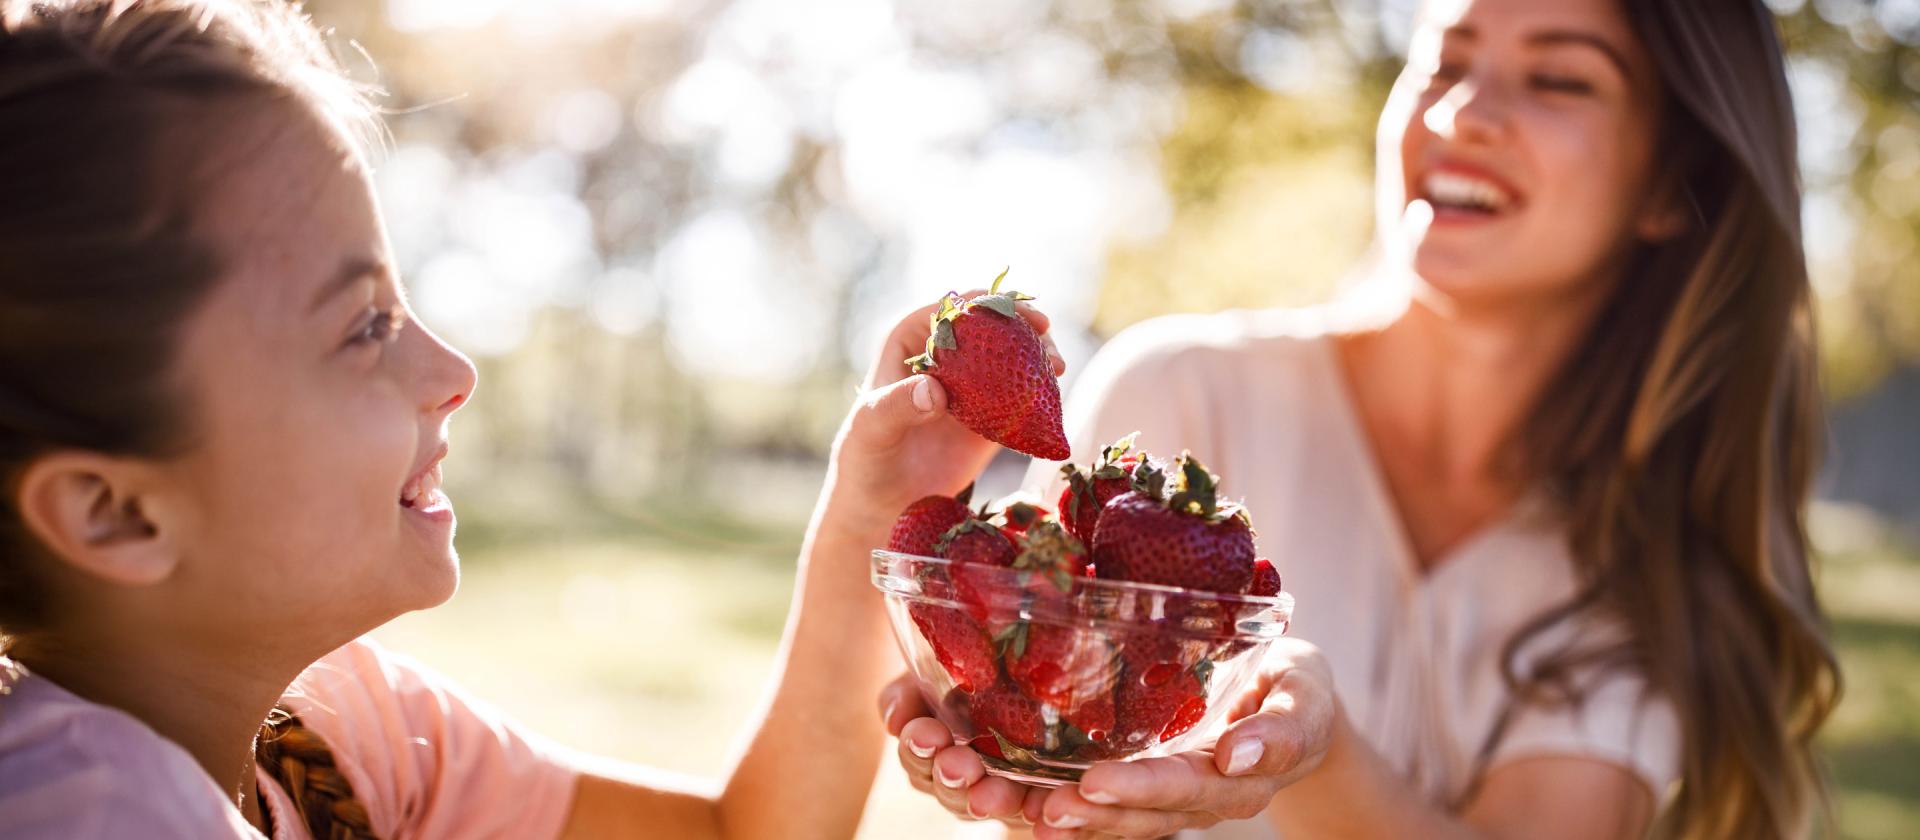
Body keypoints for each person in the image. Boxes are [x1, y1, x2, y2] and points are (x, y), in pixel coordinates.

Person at [0, 1, 1064, 838]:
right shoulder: (84, 814)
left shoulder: (341, 728)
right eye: (364, 327)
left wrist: (870, 514)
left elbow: (747, 833)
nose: (454, 369)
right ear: (115, 513)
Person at [884, 0, 1840, 837]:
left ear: (1678, 183)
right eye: (1445, 61)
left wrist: (1313, 752)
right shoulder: (1180, 395)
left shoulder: (1645, 551)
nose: (1464, 112)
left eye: (1558, 79)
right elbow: (1046, 778)